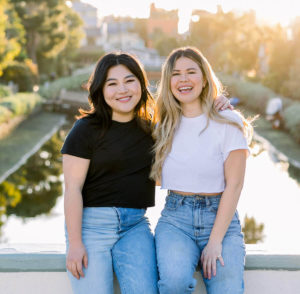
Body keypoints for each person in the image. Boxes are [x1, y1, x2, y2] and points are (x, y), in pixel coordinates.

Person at [61, 51, 231, 294]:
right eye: (112, 84)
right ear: (100, 90)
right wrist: (75, 243)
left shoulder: (153, 130)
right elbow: (72, 189)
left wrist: (214, 103)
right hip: (91, 228)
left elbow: (184, 144)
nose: (123, 90)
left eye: (129, 81)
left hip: (135, 227)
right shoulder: (85, 129)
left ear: (141, 85)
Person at [151, 46, 253, 294]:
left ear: (205, 78)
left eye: (191, 72)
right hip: (176, 219)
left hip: (220, 219)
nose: (183, 79)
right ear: (168, 82)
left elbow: (235, 185)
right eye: (176, 74)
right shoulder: (161, 126)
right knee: (173, 284)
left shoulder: (229, 121)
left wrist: (215, 240)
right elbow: (155, 179)